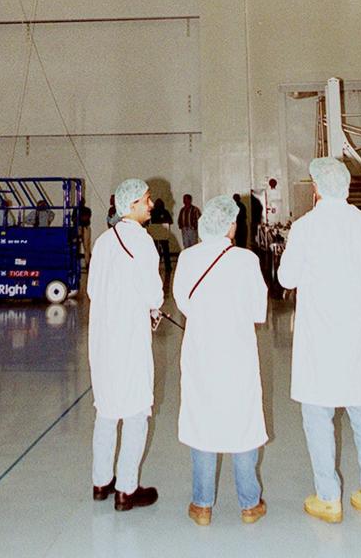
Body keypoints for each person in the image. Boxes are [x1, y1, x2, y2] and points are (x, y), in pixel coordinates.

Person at [277, 156, 361, 525]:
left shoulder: (305, 228)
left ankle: (329, 498)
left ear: (316, 189)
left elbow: (287, 279)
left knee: (318, 416)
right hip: (356, 335)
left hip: (319, 337)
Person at [174, 195, 268, 526]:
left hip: (201, 350)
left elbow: (183, 301)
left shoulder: (187, 258)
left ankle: (201, 505)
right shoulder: (246, 260)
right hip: (237, 352)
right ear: (230, 226)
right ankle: (249, 504)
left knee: (203, 421)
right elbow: (259, 311)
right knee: (242, 422)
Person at [87, 177, 164, 511]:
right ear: (131, 204)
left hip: (102, 336)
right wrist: (152, 308)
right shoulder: (142, 242)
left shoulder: (103, 241)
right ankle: (127, 490)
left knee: (106, 410)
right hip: (130, 337)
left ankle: (101, 482)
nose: (151, 205)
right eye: (147, 199)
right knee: (135, 412)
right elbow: (153, 294)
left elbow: (92, 291)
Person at [148, 197, 173, 281]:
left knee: (166, 250)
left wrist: (163, 221)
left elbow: (170, 220)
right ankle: (155, 267)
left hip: (163, 234)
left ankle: (168, 266)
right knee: (155, 251)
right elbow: (149, 221)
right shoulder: (153, 212)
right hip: (155, 233)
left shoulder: (165, 212)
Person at [78, 198, 92, 264]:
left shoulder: (87, 210)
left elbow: (86, 218)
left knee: (86, 246)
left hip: (86, 228)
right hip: (79, 228)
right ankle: (78, 262)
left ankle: (87, 262)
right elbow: (74, 219)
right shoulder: (76, 209)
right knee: (77, 246)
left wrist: (80, 218)